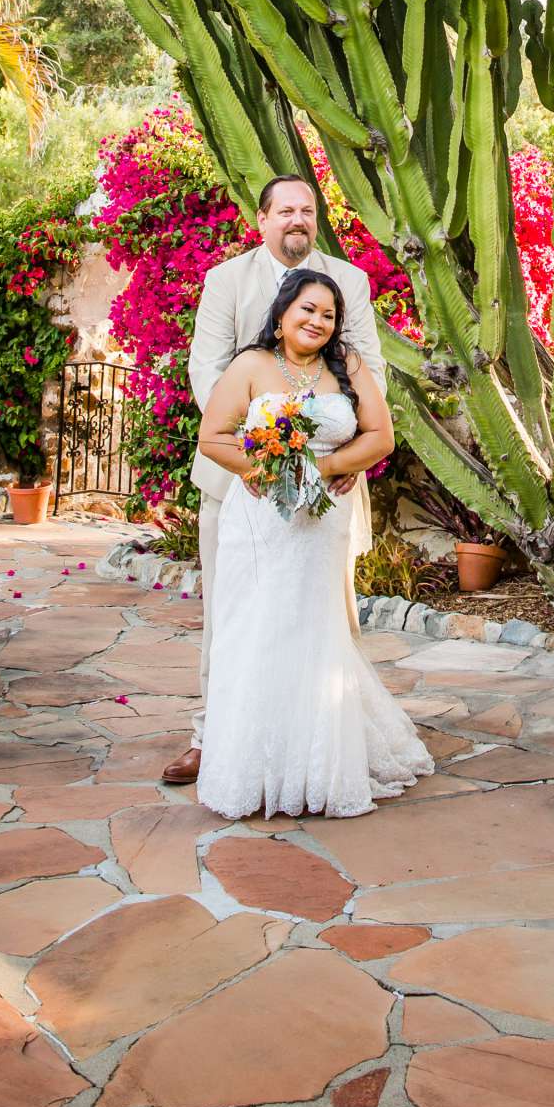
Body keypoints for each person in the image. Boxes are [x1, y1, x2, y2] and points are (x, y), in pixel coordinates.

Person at [160, 175, 388, 790]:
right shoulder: (226, 282)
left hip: (331, 485)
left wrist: (336, 456)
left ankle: (328, 743)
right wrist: (262, 447)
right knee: (231, 615)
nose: (298, 219)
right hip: (240, 483)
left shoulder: (351, 283)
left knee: (328, 616)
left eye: (307, 211)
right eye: (285, 209)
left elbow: (373, 374)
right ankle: (215, 739)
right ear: (261, 219)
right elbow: (207, 370)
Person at [193, 266, 432, 818]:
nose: (318, 321)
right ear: (280, 317)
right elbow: (213, 437)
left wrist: (326, 466)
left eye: (328, 314)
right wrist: (261, 470)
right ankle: (256, 767)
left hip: (321, 523)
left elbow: (380, 436)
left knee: (315, 630)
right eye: (307, 310)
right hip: (258, 524)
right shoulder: (250, 366)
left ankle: (320, 764)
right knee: (254, 631)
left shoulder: (344, 367)